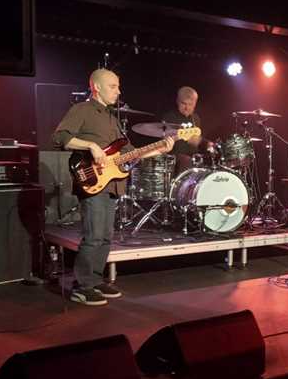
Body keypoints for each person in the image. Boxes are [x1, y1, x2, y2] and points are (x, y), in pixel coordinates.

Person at [53, 69, 173, 306]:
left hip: (113, 183)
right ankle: (82, 286)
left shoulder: (112, 118)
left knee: (106, 236)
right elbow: (59, 137)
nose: (118, 91)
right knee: (94, 235)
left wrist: (159, 149)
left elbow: (128, 153)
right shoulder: (82, 110)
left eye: (118, 86)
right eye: (113, 86)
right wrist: (91, 146)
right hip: (92, 179)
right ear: (96, 87)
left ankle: (95, 280)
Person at [162, 85, 206, 172]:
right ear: (177, 101)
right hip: (175, 157)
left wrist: (206, 143)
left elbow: (196, 140)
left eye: (190, 104)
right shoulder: (169, 117)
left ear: (195, 104)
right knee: (186, 161)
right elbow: (165, 143)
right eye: (184, 103)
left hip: (193, 156)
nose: (187, 108)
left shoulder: (196, 118)